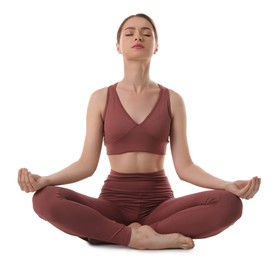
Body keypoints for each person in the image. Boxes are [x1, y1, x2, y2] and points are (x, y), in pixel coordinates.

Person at [17, 13, 261, 250]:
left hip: (160, 206)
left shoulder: (172, 99)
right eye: (129, 33)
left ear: (155, 47)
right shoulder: (101, 98)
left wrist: (227, 185)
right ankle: (139, 238)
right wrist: (46, 180)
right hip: (113, 204)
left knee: (229, 204)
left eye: (147, 34)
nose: (138, 37)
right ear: (118, 46)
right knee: (44, 199)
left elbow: (186, 168)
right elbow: (86, 164)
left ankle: (115, 233)